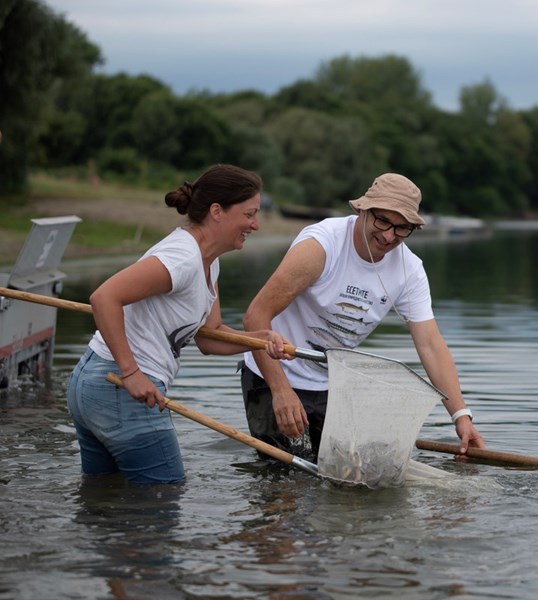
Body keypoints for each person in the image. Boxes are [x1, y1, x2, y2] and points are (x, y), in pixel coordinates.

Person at [67, 164, 293, 485]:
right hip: (120, 386)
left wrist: (262, 338)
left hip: (94, 384)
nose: (255, 225)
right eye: (249, 214)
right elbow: (104, 298)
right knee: (164, 497)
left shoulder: (209, 262)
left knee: (105, 496)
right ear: (217, 211)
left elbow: (210, 338)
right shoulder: (183, 257)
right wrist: (131, 373)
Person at [241, 172, 485, 460]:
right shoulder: (321, 246)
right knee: (283, 476)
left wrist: (461, 416)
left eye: (402, 228)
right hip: (273, 374)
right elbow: (255, 316)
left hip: (330, 384)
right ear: (363, 211)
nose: (388, 236)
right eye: (382, 221)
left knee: (337, 477)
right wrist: (280, 391)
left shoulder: (409, 270)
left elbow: (430, 345)